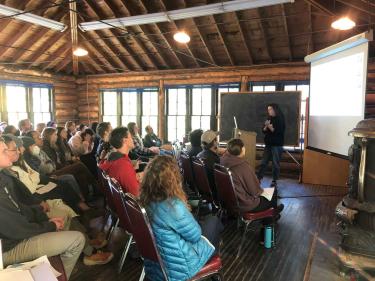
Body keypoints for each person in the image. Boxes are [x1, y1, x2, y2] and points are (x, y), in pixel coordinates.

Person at [0, 137, 85, 279]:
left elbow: (19, 208)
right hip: (7, 249)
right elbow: (16, 229)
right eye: (4, 151)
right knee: (77, 240)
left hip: (13, 237)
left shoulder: (3, 177)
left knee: (61, 217)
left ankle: (55, 270)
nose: (10, 153)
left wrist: (42, 214)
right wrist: (48, 225)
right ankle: (58, 276)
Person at [140, 155, 223, 281]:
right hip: (180, 268)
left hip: (157, 265)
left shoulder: (144, 199)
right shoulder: (172, 205)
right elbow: (195, 236)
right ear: (172, 179)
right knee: (214, 221)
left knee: (205, 224)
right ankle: (213, 268)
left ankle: (212, 261)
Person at [221, 138, 284, 213]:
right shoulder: (242, 165)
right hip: (244, 205)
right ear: (242, 149)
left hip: (228, 202)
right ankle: (271, 216)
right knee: (273, 193)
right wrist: (261, 191)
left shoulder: (222, 161)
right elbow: (255, 191)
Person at [99, 127, 140, 196]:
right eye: (130, 137)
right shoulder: (123, 165)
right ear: (124, 141)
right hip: (136, 203)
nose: (133, 139)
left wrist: (135, 175)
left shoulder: (113, 159)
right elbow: (137, 193)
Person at [257, 103, 286, 187]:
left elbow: (278, 132)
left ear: (275, 109)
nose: (269, 111)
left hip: (277, 145)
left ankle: (274, 180)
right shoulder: (269, 118)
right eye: (268, 109)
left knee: (275, 164)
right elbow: (263, 130)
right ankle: (258, 178)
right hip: (268, 144)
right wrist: (266, 127)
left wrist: (269, 127)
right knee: (263, 162)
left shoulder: (280, 119)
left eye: (270, 109)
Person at [197, 130, 221, 199]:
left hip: (204, 189)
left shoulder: (199, 155)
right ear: (214, 142)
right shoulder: (215, 159)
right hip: (214, 192)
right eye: (217, 139)